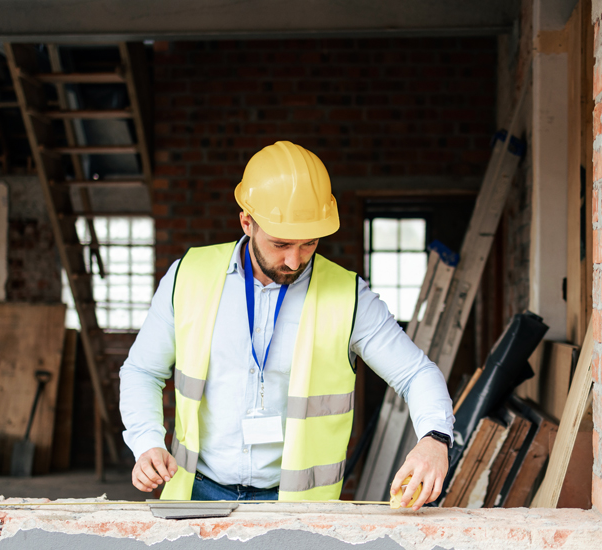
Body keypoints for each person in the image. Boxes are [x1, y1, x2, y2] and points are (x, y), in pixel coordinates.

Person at [119, 141, 454, 509]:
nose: (295, 261)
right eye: (281, 243)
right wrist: (147, 440)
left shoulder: (349, 297)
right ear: (247, 221)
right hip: (197, 494)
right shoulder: (188, 277)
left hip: (296, 506)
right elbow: (141, 371)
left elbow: (417, 373)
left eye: (309, 243)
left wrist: (434, 439)